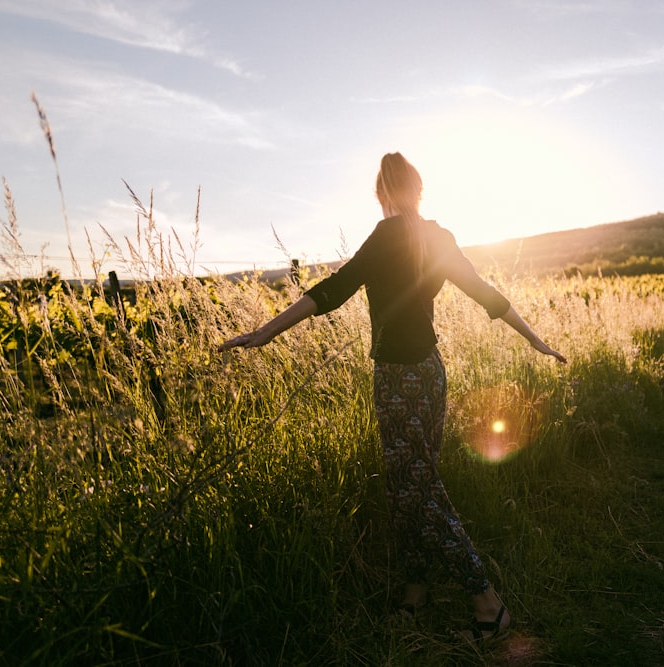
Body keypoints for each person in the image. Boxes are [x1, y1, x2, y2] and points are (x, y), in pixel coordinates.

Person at [220, 152, 566, 641]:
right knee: (408, 487)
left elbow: (332, 290)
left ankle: (487, 603)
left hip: (400, 380)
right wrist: (535, 339)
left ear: (383, 193)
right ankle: (416, 592)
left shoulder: (387, 236)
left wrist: (265, 332)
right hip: (431, 373)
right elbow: (486, 293)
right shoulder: (440, 238)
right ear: (418, 189)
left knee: (418, 491)